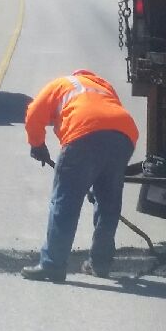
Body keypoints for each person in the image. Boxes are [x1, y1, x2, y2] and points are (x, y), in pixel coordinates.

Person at [21, 69, 141, 281]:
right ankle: (100, 264)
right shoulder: (104, 87)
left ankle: (53, 264)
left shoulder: (61, 84)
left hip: (83, 133)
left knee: (65, 202)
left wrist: (37, 144)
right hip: (124, 135)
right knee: (108, 203)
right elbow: (108, 119)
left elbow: (34, 113)